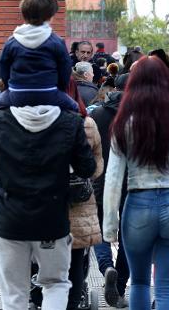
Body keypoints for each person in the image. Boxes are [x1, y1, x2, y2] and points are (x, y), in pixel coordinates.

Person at [103, 56, 169, 309]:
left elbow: (113, 180)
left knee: (139, 282)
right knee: (164, 287)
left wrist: (110, 225)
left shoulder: (125, 123)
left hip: (138, 205)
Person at [0, 101, 96, 310]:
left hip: (10, 217)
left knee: (14, 294)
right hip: (52, 216)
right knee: (56, 284)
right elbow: (88, 167)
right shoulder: (70, 120)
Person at [0, 0, 78, 112]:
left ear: (24, 13)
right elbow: (65, 70)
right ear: (50, 16)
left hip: (17, 94)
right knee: (75, 108)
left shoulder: (12, 41)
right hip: (48, 93)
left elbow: (3, 66)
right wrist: (58, 89)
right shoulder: (56, 42)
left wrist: (9, 87)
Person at [90, 74, 130, 308]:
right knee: (128, 236)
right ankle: (120, 286)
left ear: (114, 88)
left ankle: (107, 267)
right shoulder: (139, 116)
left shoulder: (97, 114)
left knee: (101, 229)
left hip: (101, 181)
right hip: (131, 184)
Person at [65, 78, 104, 310]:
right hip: (80, 201)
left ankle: (39, 298)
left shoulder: (43, 120)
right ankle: (75, 301)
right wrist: (86, 178)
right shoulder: (87, 123)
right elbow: (97, 161)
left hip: (45, 202)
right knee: (76, 258)